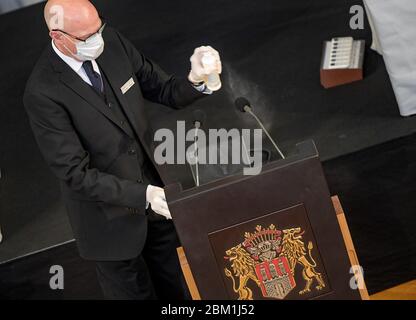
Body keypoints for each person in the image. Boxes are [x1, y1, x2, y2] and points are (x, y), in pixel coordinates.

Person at [23, 0, 222, 299]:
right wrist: (143, 195)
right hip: (109, 225)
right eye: (86, 37)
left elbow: (164, 89)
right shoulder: (42, 92)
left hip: (156, 209)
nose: (97, 41)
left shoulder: (111, 41)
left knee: (174, 292)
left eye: (98, 28)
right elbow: (75, 173)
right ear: (57, 36)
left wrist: (197, 81)